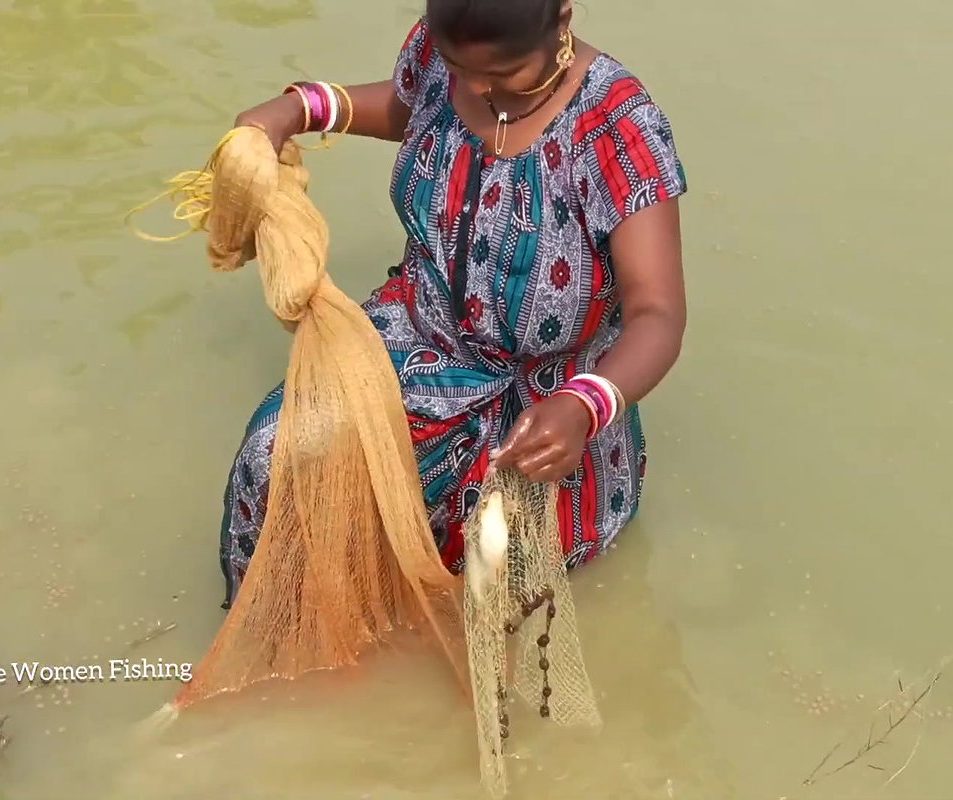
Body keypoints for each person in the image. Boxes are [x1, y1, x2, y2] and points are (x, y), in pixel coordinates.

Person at [217, 0, 688, 608]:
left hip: (543, 405)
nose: (475, 87)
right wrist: (301, 107)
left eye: (506, 73)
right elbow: (409, 107)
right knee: (276, 455)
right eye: (454, 64)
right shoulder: (453, 54)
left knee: (494, 576)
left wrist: (582, 407)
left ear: (563, 17)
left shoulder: (619, 129)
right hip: (416, 336)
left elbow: (659, 315)